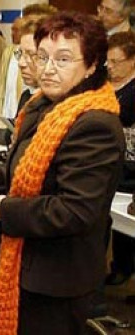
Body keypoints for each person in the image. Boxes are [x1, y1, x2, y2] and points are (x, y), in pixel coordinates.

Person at [0, 12, 124, 334]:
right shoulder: (42, 104)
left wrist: (8, 210)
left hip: (58, 277)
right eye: (42, 57)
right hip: (28, 264)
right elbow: (23, 167)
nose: (48, 69)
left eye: (63, 59)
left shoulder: (95, 124)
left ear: (91, 65)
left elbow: (75, 210)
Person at [106, 31, 135, 285]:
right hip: (105, 156)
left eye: (116, 62)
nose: (110, 67)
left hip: (129, 161)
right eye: (108, 61)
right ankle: (115, 266)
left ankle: (125, 267)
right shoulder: (105, 83)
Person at [0, 12, 55, 119]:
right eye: (20, 53)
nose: (21, 63)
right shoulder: (26, 96)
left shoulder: (57, 107)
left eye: (31, 54)